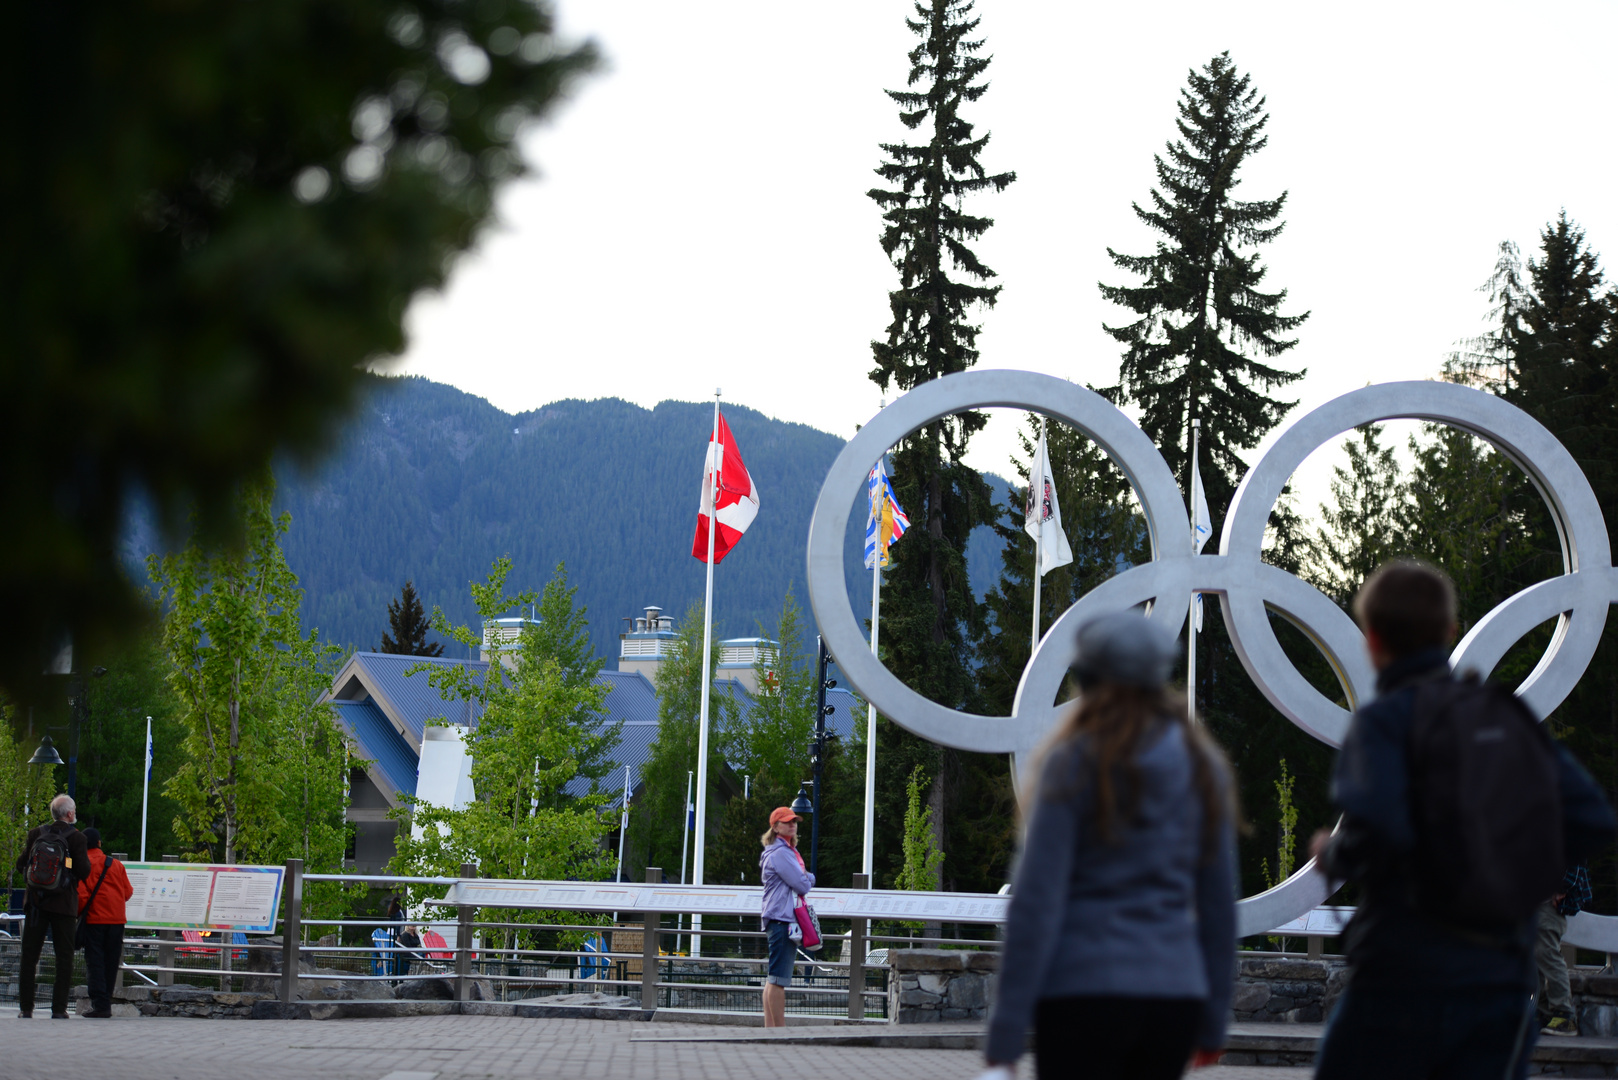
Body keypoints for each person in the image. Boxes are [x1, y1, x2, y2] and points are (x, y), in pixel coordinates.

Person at [1311, 561, 1616, 1079]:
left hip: (1399, 978)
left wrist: (1331, 851)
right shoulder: (1505, 716)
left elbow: (1380, 834)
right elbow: (1591, 819)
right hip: (1497, 981)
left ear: (1373, 639)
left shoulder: (1383, 723)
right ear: (1449, 631)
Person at [981, 611, 1238, 1080]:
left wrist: (1005, 1036)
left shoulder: (1071, 764)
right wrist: (1215, 1018)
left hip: (1081, 991)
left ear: (1087, 678)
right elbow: (1219, 907)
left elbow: (1036, 904)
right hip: (1172, 996)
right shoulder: (1203, 768)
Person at [14, 794, 90, 1018]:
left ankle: (26, 1009)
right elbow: (84, 872)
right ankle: (58, 1009)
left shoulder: (36, 833)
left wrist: (38, 883)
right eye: (74, 810)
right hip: (64, 907)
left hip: (36, 904)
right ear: (69, 814)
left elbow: (21, 865)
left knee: (29, 956)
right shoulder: (77, 838)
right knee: (64, 957)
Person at [758, 805, 813, 1028]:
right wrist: (810, 877)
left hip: (777, 917)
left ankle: (771, 1030)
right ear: (775, 826)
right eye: (787, 821)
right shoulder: (781, 853)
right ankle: (779, 1031)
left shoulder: (778, 850)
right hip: (782, 918)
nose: (793, 824)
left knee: (773, 978)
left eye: (795, 821)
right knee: (779, 980)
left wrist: (804, 877)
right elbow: (802, 883)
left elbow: (799, 880)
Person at [76, 827, 133, 1018]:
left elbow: (82, 896)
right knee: (111, 962)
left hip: (95, 921)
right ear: (99, 843)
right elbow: (128, 892)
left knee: (95, 963)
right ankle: (106, 1000)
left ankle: (100, 1005)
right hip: (117, 921)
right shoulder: (115, 864)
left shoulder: (83, 866)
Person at [1537, 864, 1591, 1036]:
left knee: (1547, 954)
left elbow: (1573, 853)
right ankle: (1543, 1013)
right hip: (1536, 898)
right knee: (1536, 957)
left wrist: (1561, 887)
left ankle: (1564, 1014)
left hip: (1549, 902)